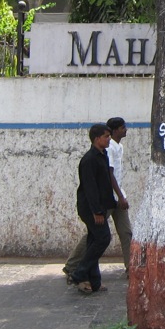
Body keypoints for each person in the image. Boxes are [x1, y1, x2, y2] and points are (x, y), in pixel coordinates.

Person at [62, 117, 131, 281]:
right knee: (99, 237)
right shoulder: (95, 156)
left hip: (111, 199)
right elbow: (99, 182)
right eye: (122, 127)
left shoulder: (106, 152)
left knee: (121, 233)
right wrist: (100, 209)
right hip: (102, 202)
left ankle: (128, 268)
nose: (126, 130)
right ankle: (75, 269)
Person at [70, 123, 116, 294]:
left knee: (93, 241)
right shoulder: (89, 160)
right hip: (90, 207)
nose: (109, 139)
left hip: (100, 206)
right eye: (106, 136)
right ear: (97, 139)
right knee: (103, 238)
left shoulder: (103, 155)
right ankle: (79, 272)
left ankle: (95, 281)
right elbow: (90, 188)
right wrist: (96, 211)